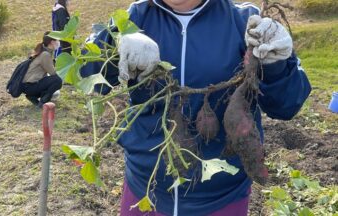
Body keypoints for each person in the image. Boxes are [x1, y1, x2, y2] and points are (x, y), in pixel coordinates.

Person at [81, 0, 311, 215]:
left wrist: (277, 65)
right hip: (147, 187)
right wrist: (115, 42)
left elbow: (286, 106)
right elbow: (86, 74)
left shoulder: (247, 23)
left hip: (223, 195)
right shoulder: (134, 18)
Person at [21, 31, 62, 108]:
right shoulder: (45, 54)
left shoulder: (44, 51)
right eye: (57, 40)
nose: (58, 42)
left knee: (50, 81)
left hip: (27, 86)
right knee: (57, 81)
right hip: (30, 85)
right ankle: (43, 102)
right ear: (52, 42)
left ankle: (32, 96)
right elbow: (53, 73)